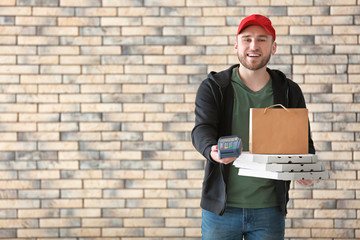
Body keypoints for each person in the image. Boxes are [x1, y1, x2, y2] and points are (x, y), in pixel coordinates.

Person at [191, 14, 315, 240]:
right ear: (236, 45)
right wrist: (211, 150)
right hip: (221, 209)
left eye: (262, 39)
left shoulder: (289, 91)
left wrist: (305, 168)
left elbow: (303, 140)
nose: (254, 46)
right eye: (247, 39)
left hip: (269, 209)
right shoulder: (214, 87)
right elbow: (202, 128)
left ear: (273, 47)